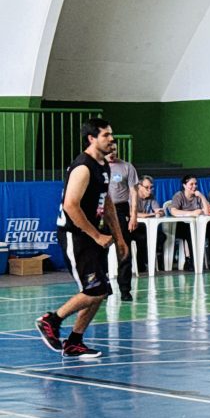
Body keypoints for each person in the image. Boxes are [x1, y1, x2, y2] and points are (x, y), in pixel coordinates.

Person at [35, 118, 128, 359]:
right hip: (76, 236)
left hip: (93, 236)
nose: (112, 140)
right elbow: (70, 206)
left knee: (101, 289)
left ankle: (74, 342)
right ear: (91, 138)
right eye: (106, 135)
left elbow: (106, 202)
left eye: (111, 135)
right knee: (95, 289)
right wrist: (96, 235)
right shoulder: (83, 167)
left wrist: (119, 237)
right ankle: (51, 320)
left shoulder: (103, 166)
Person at [105, 143, 139, 300]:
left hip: (120, 210)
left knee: (123, 249)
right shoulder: (96, 167)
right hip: (101, 211)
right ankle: (104, 286)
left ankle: (125, 289)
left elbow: (134, 192)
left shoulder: (127, 167)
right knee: (99, 249)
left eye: (114, 150)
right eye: (109, 150)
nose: (112, 153)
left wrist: (133, 216)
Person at [170, 175, 210, 270]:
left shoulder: (198, 196)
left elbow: (208, 211)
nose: (194, 186)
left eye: (196, 184)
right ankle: (190, 262)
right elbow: (173, 211)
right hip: (183, 226)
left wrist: (201, 196)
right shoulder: (179, 195)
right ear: (184, 185)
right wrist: (191, 213)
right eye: (191, 184)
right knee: (190, 232)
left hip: (199, 225)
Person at [133, 176, 166, 271]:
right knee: (142, 238)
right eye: (147, 187)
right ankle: (141, 266)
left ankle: (154, 259)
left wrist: (160, 213)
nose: (149, 190)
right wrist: (152, 214)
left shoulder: (151, 197)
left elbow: (158, 210)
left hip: (146, 227)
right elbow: (133, 213)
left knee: (161, 236)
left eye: (151, 187)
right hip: (133, 227)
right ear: (139, 186)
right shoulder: (133, 196)